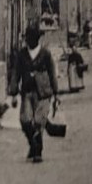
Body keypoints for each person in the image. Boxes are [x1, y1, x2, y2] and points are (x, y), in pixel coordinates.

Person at [12, 24, 60, 162]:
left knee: (39, 121)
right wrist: (14, 93)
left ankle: (37, 150)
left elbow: (52, 74)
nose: (30, 42)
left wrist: (56, 94)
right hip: (27, 91)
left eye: (32, 39)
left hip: (43, 93)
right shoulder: (21, 55)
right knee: (25, 120)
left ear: (37, 39)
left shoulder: (45, 54)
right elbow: (16, 74)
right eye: (28, 39)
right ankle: (33, 145)